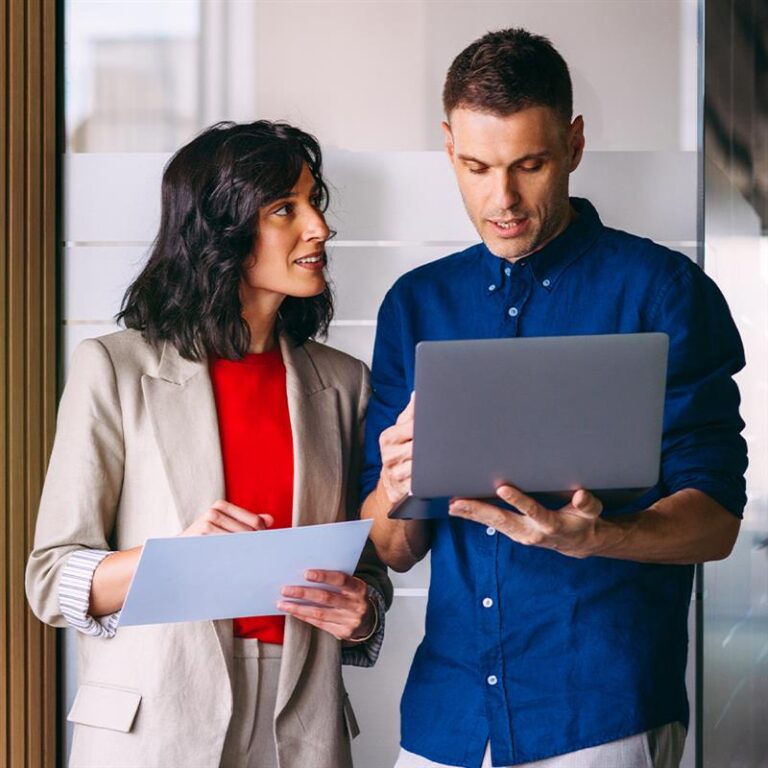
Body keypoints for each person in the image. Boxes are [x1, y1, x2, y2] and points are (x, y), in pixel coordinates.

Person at [360, 28, 747, 768]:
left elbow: (717, 522)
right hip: (447, 718)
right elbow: (392, 550)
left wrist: (597, 537)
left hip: (600, 714)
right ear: (448, 149)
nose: (501, 198)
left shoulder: (663, 293)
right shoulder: (415, 306)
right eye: (475, 167)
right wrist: (393, 487)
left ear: (572, 144)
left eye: (528, 165)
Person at [25, 120, 392, 768]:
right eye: (287, 209)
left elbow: (364, 572)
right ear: (222, 230)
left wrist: (361, 612)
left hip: (302, 732)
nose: (319, 228)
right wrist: (170, 562)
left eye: (315, 203)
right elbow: (52, 580)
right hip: (154, 727)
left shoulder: (343, 384)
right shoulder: (114, 368)